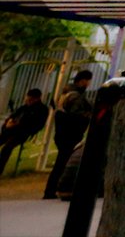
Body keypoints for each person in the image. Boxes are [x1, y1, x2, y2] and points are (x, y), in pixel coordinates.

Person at [43, 70, 92, 199]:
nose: (88, 84)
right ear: (83, 81)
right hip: (70, 134)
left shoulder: (65, 93)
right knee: (63, 163)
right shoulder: (75, 97)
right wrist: (88, 116)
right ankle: (53, 190)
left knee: (61, 162)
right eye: (88, 81)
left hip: (62, 133)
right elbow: (77, 115)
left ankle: (51, 190)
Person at [0, 88, 50, 175]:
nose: (28, 101)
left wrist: (19, 124)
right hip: (11, 130)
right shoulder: (24, 107)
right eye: (27, 99)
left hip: (23, 133)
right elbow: (13, 116)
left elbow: (35, 125)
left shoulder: (42, 110)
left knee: (7, 148)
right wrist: (8, 123)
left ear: (37, 99)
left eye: (30, 100)